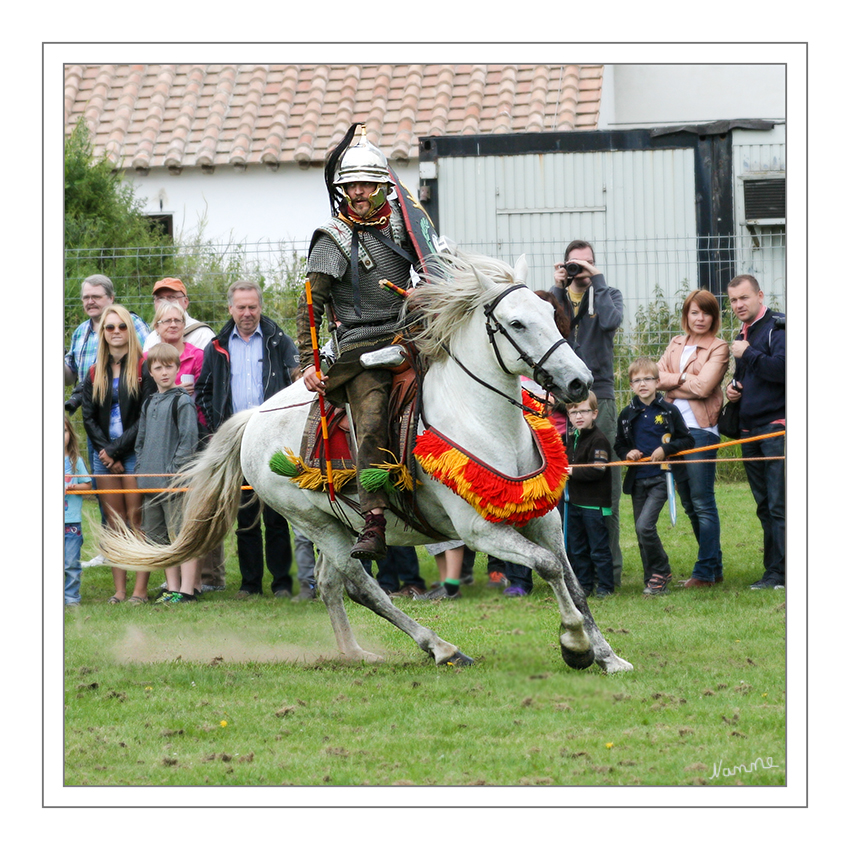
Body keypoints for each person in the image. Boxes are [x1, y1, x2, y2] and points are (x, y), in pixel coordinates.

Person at [299, 125, 419, 562]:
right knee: (370, 415)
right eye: (351, 185)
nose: (359, 192)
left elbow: (435, 270)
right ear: (343, 189)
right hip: (360, 347)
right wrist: (306, 362)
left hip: (410, 332)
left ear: (382, 185)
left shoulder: (407, 226)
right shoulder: (333, 238)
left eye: (366, 183)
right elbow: (310, 304)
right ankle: (374, 518)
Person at [196, 280, 300, 599]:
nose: (247, 313)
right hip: (237, 442)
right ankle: (250, 584)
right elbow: (202, 392)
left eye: (252, 306)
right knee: (245, 517)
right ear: (230, 309)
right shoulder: (216, 346)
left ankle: (281, 582)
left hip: (273, 440)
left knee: (277, 514)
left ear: (260, 307)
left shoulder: (278, 341)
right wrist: (217, 430)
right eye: (240, 307)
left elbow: (295, 382)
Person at [550, 242, 624, 585]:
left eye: (588, 263)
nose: (582, 270)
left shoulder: (608, 294)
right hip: (563, 400)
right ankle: (574, 572)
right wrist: (557, 287)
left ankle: (610, 570)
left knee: (603, 486)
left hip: (600, 399)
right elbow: (545, 326)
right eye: (575, 265)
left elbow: (610, 322)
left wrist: (599, 281)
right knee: (567, 486)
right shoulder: (559, 298)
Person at [145, 300, 227, 594]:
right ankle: (173, 586)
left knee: (187, 522)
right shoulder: (151, 388)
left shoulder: (199, 355)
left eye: (177, 320)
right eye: (166, 321)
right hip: (157, 463)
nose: (172, 325)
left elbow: (206, 392)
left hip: (191, 444)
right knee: (162, 529)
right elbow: (144, 432)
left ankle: (196, 585)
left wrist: (175, 466)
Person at [81, 304, 156, 603]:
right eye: (110, 327)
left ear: (129, 330)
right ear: (103, 332)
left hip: (133, 453)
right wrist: (105, 452)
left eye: (121, 327)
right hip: (104, 458)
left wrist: (116, 450)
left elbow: (145, 415)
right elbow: (88, 417)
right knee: (114, 523)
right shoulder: (93, 371)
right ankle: (119, 591)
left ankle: (139, 591)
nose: (115, 332)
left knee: (136, 520)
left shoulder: (143, 367)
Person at [657, 290, 730, 588]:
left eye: (706, 313)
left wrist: (675, 383)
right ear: (686, 315)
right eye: (694, 312)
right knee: (688, 502)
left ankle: (703, 572)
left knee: (702, 501)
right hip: (675, 431)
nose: (700, 319)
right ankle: (714, 568)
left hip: (701, 430)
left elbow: (703, 388)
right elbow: (654, 377)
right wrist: (685, 381)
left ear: (714, 317)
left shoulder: (719, 347)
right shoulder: (675, 343)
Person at [725, 275, 786, 590]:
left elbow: (783, 370)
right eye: (733, 300)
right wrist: (735, 389)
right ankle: (773, 572)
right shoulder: (742, 333)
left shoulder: (780, 327)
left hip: (776, 427)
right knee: (764, 505)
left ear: (759, 295)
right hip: (748, 429)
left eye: (744, 298)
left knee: (780, 504)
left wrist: (747, 353)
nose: (738, 305)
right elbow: (754, 375)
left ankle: (783, 574)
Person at [614, 357, 694, 596]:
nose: (642, 384)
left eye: (648, 379)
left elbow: (687, 439)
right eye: (636, 380)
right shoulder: (627, 414)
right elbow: (619, 445)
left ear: (658, 382)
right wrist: (628, 453)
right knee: (641, 533)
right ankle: (653, 579)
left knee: (644, 526)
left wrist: (665, 449)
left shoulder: (669, 411)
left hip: (661, 478)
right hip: (638, 479)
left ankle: (662, 569)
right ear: (631, 385)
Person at [136, 343, 200, 603]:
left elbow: (189, 440)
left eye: (169, 366)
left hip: (174, 484)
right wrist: (141, 469)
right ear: (150, 371)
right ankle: (172, 588)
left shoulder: (182, 401)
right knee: (159, 539)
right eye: (158, 367)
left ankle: (187, 591)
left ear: (178, 367)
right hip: (149, 483)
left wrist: (175, 473)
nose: (164, 372)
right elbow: (140, 440)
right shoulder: (149, 401)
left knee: (181, 535)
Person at [65, 274, 150, 414]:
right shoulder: (80, 331)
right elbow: (69, 378)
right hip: (93, 411)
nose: (90, 301)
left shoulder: (132, 323)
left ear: (111, 298)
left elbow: (150, 361)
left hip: (129, 408)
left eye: (96, 297)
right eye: (86, 297)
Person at [565, 392, 615, 598]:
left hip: (594, 505)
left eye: (584, 411)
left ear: (594, 414)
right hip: (575, 503)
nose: (578, 416)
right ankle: (584, 585)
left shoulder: (599, 440)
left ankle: (605, 586)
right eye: (573, 412)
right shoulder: (572, 438)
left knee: (598, 549)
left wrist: (570, 471)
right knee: (577, 548)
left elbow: (597, 470)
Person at [142, 278, 215, 352]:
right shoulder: (151, 338)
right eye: (160, 298)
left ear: (185, 302)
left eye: (171, 297)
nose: (165, 303)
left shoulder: (202, 334)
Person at [64, 413, 92, 606]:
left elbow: (87, 485)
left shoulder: (76, 461)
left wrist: (70, 487)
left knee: (71, 563)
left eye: (63, 431)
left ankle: (71, 598)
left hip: (71, 522)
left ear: (70, 434)